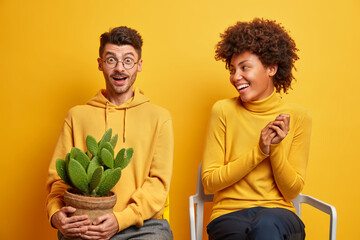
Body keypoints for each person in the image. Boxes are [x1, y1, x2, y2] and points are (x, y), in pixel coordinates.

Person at [46, 26, 174, 240]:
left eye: (128, 60)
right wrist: (54, 214)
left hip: (143, 226)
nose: (120, 68)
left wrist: (121, 219)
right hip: (86, 224)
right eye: (111, 60)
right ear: (100, 64)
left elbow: (158, 184)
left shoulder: (160, 117)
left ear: (139, 65)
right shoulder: (77, 116)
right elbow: (58, 179)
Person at [201, 18, 312, 240]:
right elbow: (209, 182)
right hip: (228, 214)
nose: (235, 77)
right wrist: (260, 151)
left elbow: (291, 191)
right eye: (233, 69)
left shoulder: (299, 117)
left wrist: (276, 147)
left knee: (266, 225)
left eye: (245, 67)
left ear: (271, 68)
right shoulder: (222, 110)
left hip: (279, 215)